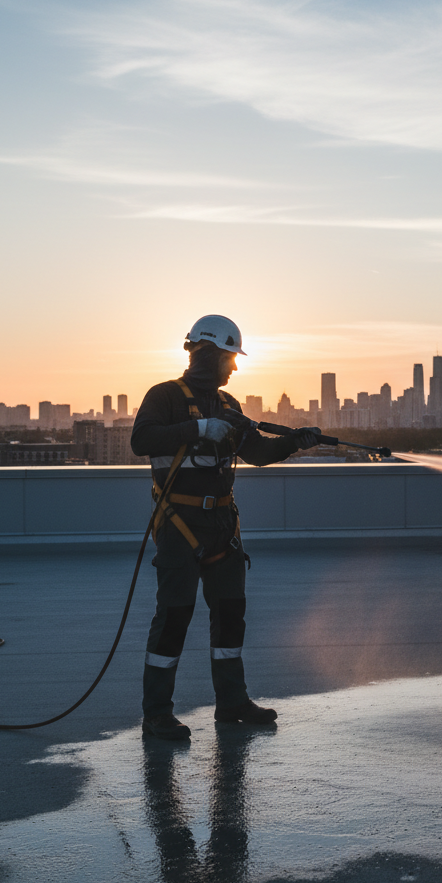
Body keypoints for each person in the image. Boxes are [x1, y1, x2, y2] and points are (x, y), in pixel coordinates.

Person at [131, 314, 321, 740]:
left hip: (222, 524)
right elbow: (141, 440)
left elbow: (258, 454)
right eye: (231, 358)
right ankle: (157, 713)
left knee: (231, 614)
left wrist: (295, 441)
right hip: (180, 524)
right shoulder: (164, 397)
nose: (235, 367)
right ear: (211, 353)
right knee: (175, 616)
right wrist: (199, 428)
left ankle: (232, 702)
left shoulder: (230, 407)